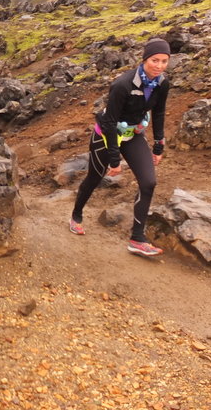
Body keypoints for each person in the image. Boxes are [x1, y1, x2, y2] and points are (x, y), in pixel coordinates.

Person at [69, 38, 171, 257]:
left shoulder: (162, 83)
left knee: (149, 182)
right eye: (155, 60)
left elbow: (160, 113)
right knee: (94, 178)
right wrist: (115, 161)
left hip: (133, 134)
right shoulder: (122, 84)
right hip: (107, 135)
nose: (159, 66)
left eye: (164, 61)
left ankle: (137, 238)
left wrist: (159, 145)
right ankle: (76, 215)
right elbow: (109, 122)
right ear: (145, 59)